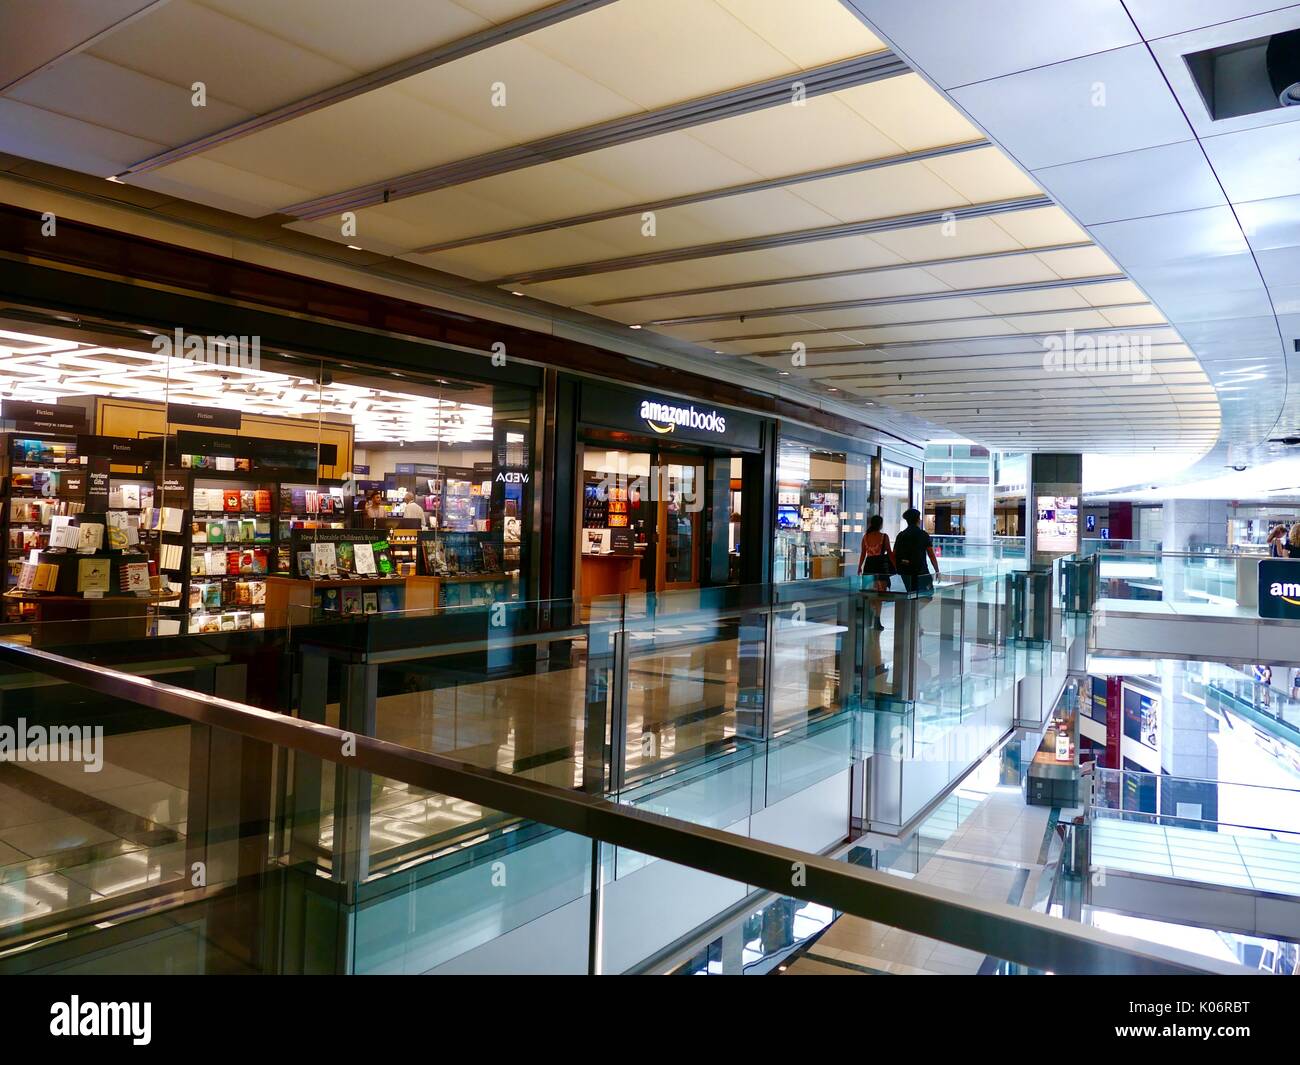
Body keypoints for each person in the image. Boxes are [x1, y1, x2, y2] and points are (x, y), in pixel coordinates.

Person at [857, 515, 894, 630]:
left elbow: (863, 553)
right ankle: (877, 619)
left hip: (868, 566)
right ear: (880, 525)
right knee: (879, 595)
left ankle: (869, 617)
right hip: (880, 566)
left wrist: (859, 567)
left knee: (870, 593)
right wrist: (896, 565)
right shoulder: (884, 537)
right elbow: (889, 552)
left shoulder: (866, 537)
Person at [894, 507, 940, 593]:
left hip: (905, 572)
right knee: (927, 594)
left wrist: (897, 569)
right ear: (917, 519)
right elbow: (931, 555)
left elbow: (894, 554)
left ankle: (913, 606)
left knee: (911, 593)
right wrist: (937, 570)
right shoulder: (923, 535)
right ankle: (916, 606)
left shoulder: (901, 535)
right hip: (921, 571)